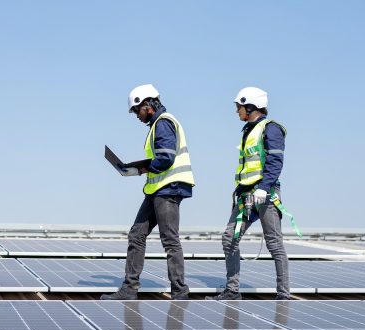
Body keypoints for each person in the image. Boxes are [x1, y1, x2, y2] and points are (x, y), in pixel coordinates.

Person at [101, 84, 194, 300]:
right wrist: (139, 169)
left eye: (136, 110)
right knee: (136, 234)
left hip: (169, 188)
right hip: (157, 189)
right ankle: (129, 289)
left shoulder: (163, 123)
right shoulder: (156, 125)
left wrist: (144, 167)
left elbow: (166, 157)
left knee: (169, 239)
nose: (136, 115)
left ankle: (180, 291)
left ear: (148, 105)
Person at [207, 87, 291, 301]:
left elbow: (275, 161)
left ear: (250, 105)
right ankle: (232, 290)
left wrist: (264, 187)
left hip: (266, 194)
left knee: (274, 243)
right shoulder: (247, 130)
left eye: (239, 107)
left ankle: (283, 293)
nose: (237, 111)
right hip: (246, 196)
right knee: (229, 238)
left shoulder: (271, 129)